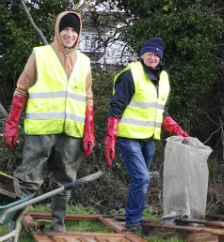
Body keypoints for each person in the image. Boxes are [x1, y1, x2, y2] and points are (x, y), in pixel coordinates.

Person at [2, 11, 94, 232]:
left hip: (71, 131)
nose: (69, 34)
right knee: (28, 180)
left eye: (74, 30)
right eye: (65, 29)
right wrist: (11, 124)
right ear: (57, 30)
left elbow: (88, 98)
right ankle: (13, 225)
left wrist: (89, 131)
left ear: (79, 34)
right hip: (41, 130)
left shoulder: (84, 62)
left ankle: (58, 226)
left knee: (64, 181)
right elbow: (21, 90)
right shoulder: (40, 55)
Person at [104, 37, 190, 232]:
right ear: (142, 55)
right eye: (149, 53)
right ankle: (133, 220)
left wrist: (178, 130)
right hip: (129, 137)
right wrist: (110, 136)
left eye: (156, 54)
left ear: (160, 58)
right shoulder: (131, 74)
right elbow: (116, 106)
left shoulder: (163, 79)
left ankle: (135, 217)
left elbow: (161, 112)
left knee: (142, 179)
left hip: (148, 139)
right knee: (141, 178)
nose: (153, 57)